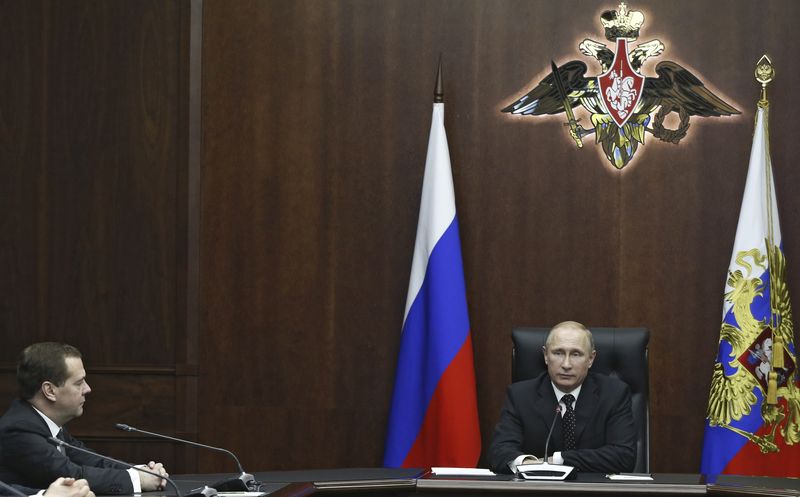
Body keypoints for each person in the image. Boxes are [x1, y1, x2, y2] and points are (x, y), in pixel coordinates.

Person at [0, 343, 168, 495]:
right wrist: (138, 479)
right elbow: (71, 474)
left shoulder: (45, 423)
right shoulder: (18, 429)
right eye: (79, 382)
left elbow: (93, 460)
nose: (87, 389)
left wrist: (142, 471)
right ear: (50, 391)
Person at [487, 321, 637, 474]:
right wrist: (529, 464)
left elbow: (623, 457)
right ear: (546, 356)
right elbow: (499, 453)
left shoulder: (614, 394)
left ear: (591, 359)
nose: (566, 364)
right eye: (558, 353)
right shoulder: (519, 396)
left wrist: (557, 460)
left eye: (576, 354)